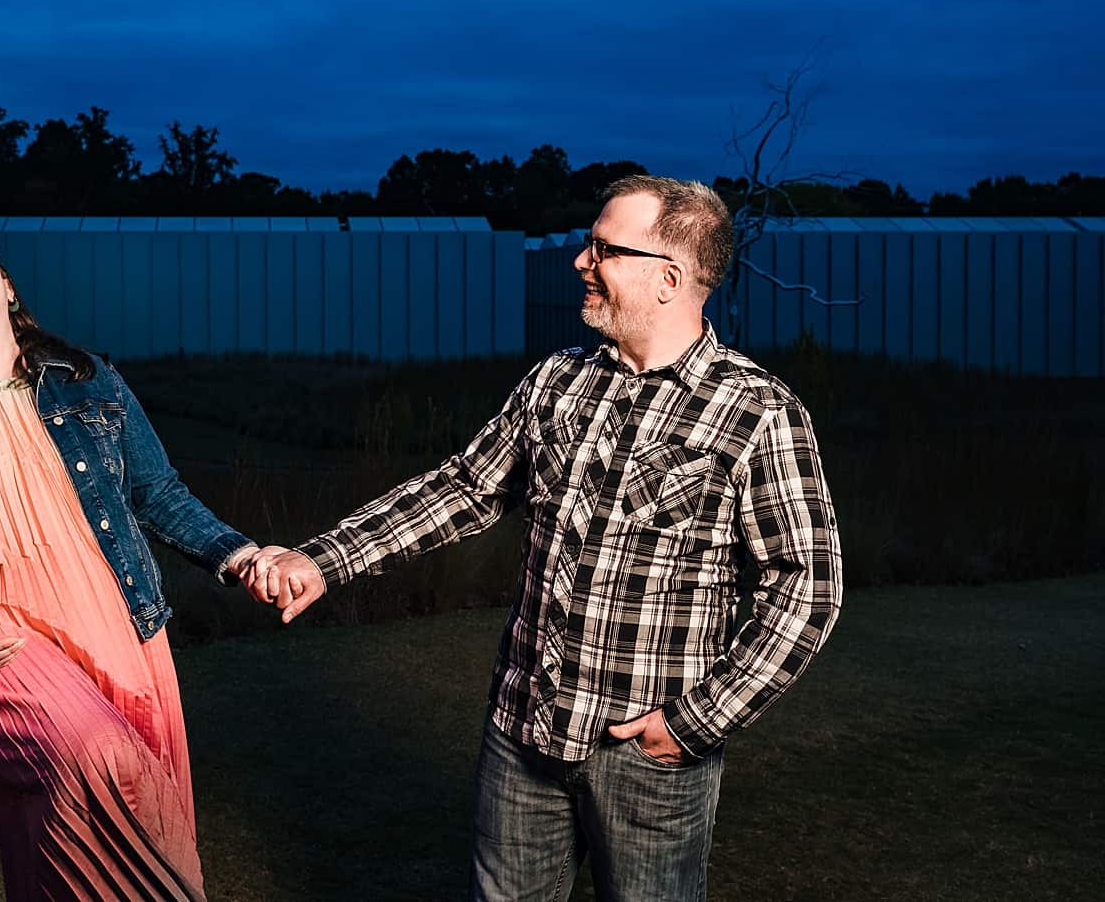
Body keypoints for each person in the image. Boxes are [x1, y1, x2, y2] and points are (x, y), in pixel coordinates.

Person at [245, 176, 843, 901]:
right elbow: (463, 488)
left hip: (647, 757)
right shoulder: (555, 382)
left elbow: (806, 585)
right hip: (521, 733)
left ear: (669, 278)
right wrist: (323, 558)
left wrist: (691, 723)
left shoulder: (758, 410)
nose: (579, 262)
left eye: (601, 248)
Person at [0, 231, 263, 902]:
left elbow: (157, 492)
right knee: (97, 753)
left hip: (118, 622)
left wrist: (240, 553)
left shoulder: (89, 377)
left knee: (133, 820)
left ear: (7, 285)